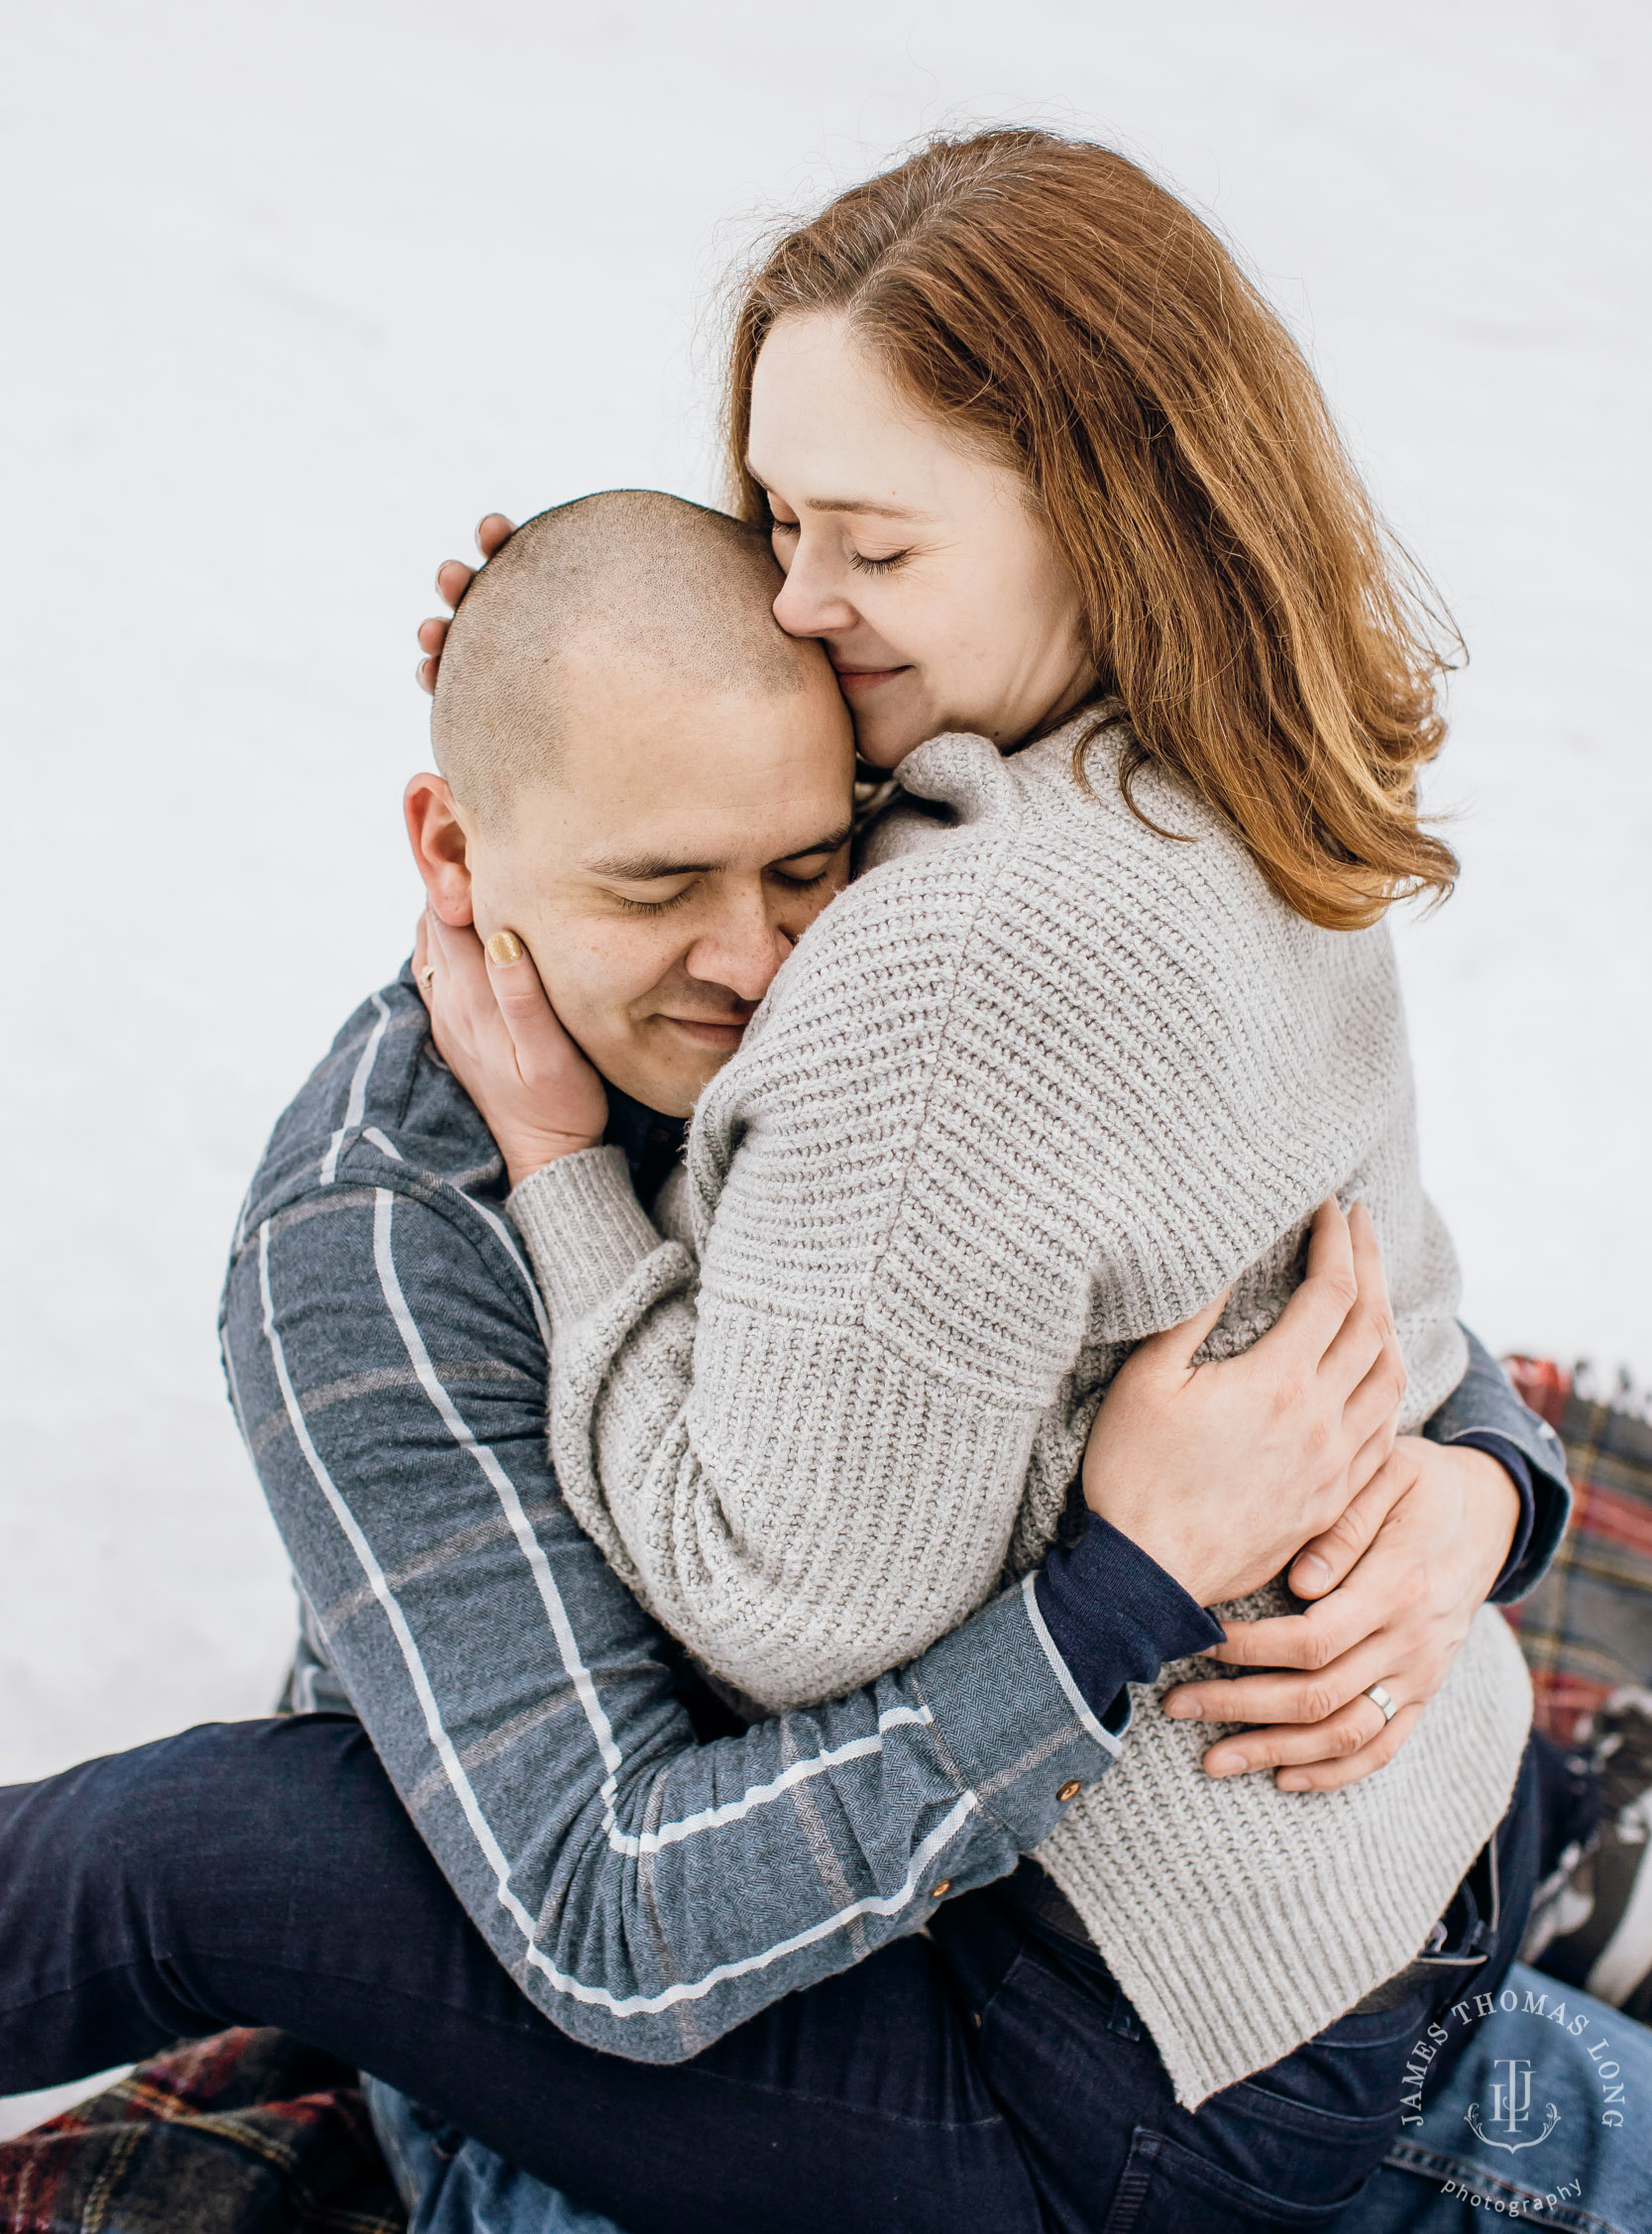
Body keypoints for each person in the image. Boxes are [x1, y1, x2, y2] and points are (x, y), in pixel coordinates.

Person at [0, 489, 1565, 2234]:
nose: (753, 964)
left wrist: (1479, 1483)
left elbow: (1250, 1221)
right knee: (209, 1846)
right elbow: (609, 1913)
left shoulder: (910, 921)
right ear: (454, 854)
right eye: (654, 888)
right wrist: (1124, 1590)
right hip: (713, 1978)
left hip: (1101, 1910)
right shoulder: (378, 1249)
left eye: (798, 869)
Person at [420, 131, 1560, 2161]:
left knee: (226, 1859)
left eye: (868, 541)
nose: (792, 596)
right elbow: (1413, 1279)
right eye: (773, 518)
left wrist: (560, 1172)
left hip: (1178, 2039)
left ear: (1103, 515)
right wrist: (579, 685)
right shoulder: (1243, 752)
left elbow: (776, 1603)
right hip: (1440, 1807)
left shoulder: (959, 959)